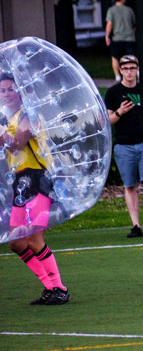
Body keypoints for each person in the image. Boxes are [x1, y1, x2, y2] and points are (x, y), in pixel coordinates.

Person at [0, 73, 70, 305]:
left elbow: (18, 143)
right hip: (20, 182)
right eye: (2, 91)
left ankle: (59, 288)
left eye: (11, 89)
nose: (7, 94)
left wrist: (1, 134)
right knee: (17, 242)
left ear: (20, 92)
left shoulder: (29, 114)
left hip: (38, 179)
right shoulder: (9, 118)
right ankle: (50, 286)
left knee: (33, 239)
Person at [104, 55, 143, 238]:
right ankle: (136, 226)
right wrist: (120, 112)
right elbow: (108, 120)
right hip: (124, 145)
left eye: (133, 68)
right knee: (130, 185)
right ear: (121, 70)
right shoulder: (113, 93)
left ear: (137, 69)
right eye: (126, 68)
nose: (129, 72)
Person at [105, 0, 136, 82]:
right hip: (130, 38)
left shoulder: (111, 10)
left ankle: (117, 76)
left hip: (117, 38)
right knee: (131, 57)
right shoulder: (129, 10)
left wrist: (107, 36)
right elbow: (134, 25)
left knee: (115, 57)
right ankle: (135, 74)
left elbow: (109, 24)